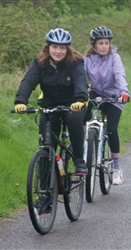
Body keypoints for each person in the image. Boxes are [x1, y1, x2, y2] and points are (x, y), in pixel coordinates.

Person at [14, 28, 89, 176]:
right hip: (49, 106)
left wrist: (80, 99)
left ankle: (79, 161)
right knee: (47, 148)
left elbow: (81, 81)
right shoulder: (40, 63)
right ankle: (44, 194)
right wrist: (20, 101)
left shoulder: (76, 62)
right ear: (48, 48)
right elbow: (28, 82)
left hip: (72, 104)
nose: (58, 51)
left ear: (68, 49)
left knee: (74, 119)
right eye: (55, 47)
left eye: (62, 47)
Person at [84, 26, 130, 185]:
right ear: (93, 45)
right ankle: (84, 147)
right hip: (96, 93)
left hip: (114, 96)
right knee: (83, 111)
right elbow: (80, 78)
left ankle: (117, 168)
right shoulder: (87, 60)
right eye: (101, 43)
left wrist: (124, 92)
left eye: (106, 43)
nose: (104, 46)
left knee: (111, 129)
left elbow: (119, 75)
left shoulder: (114, 58)